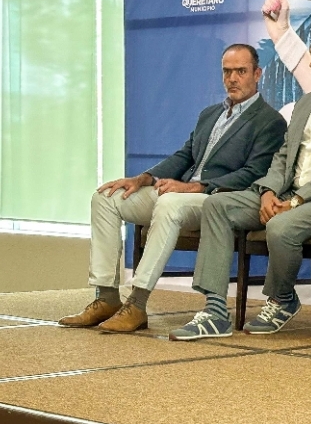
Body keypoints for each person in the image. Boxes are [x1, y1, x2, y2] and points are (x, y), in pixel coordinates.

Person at [170, 28, 311, 340]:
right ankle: (215, 310)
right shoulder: (305, 103)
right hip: (287, 193)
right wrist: (268, 191)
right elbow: (283, 156)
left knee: (280, 226)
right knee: (217, 204)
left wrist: (298, 199)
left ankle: (282, 298)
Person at [59, 45, 286, 333]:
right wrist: (144, 178)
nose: (232, 78)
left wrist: (196, 186)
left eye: (241, 71)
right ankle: (106, 297)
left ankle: (137, 303)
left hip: (217, 199)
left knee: (170, 203)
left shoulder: (270, 121)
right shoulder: (210, 114)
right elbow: (185, 156)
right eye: (227, 72)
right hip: (185, 194)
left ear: (257, 74)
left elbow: (254, 173)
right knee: (106, 198)